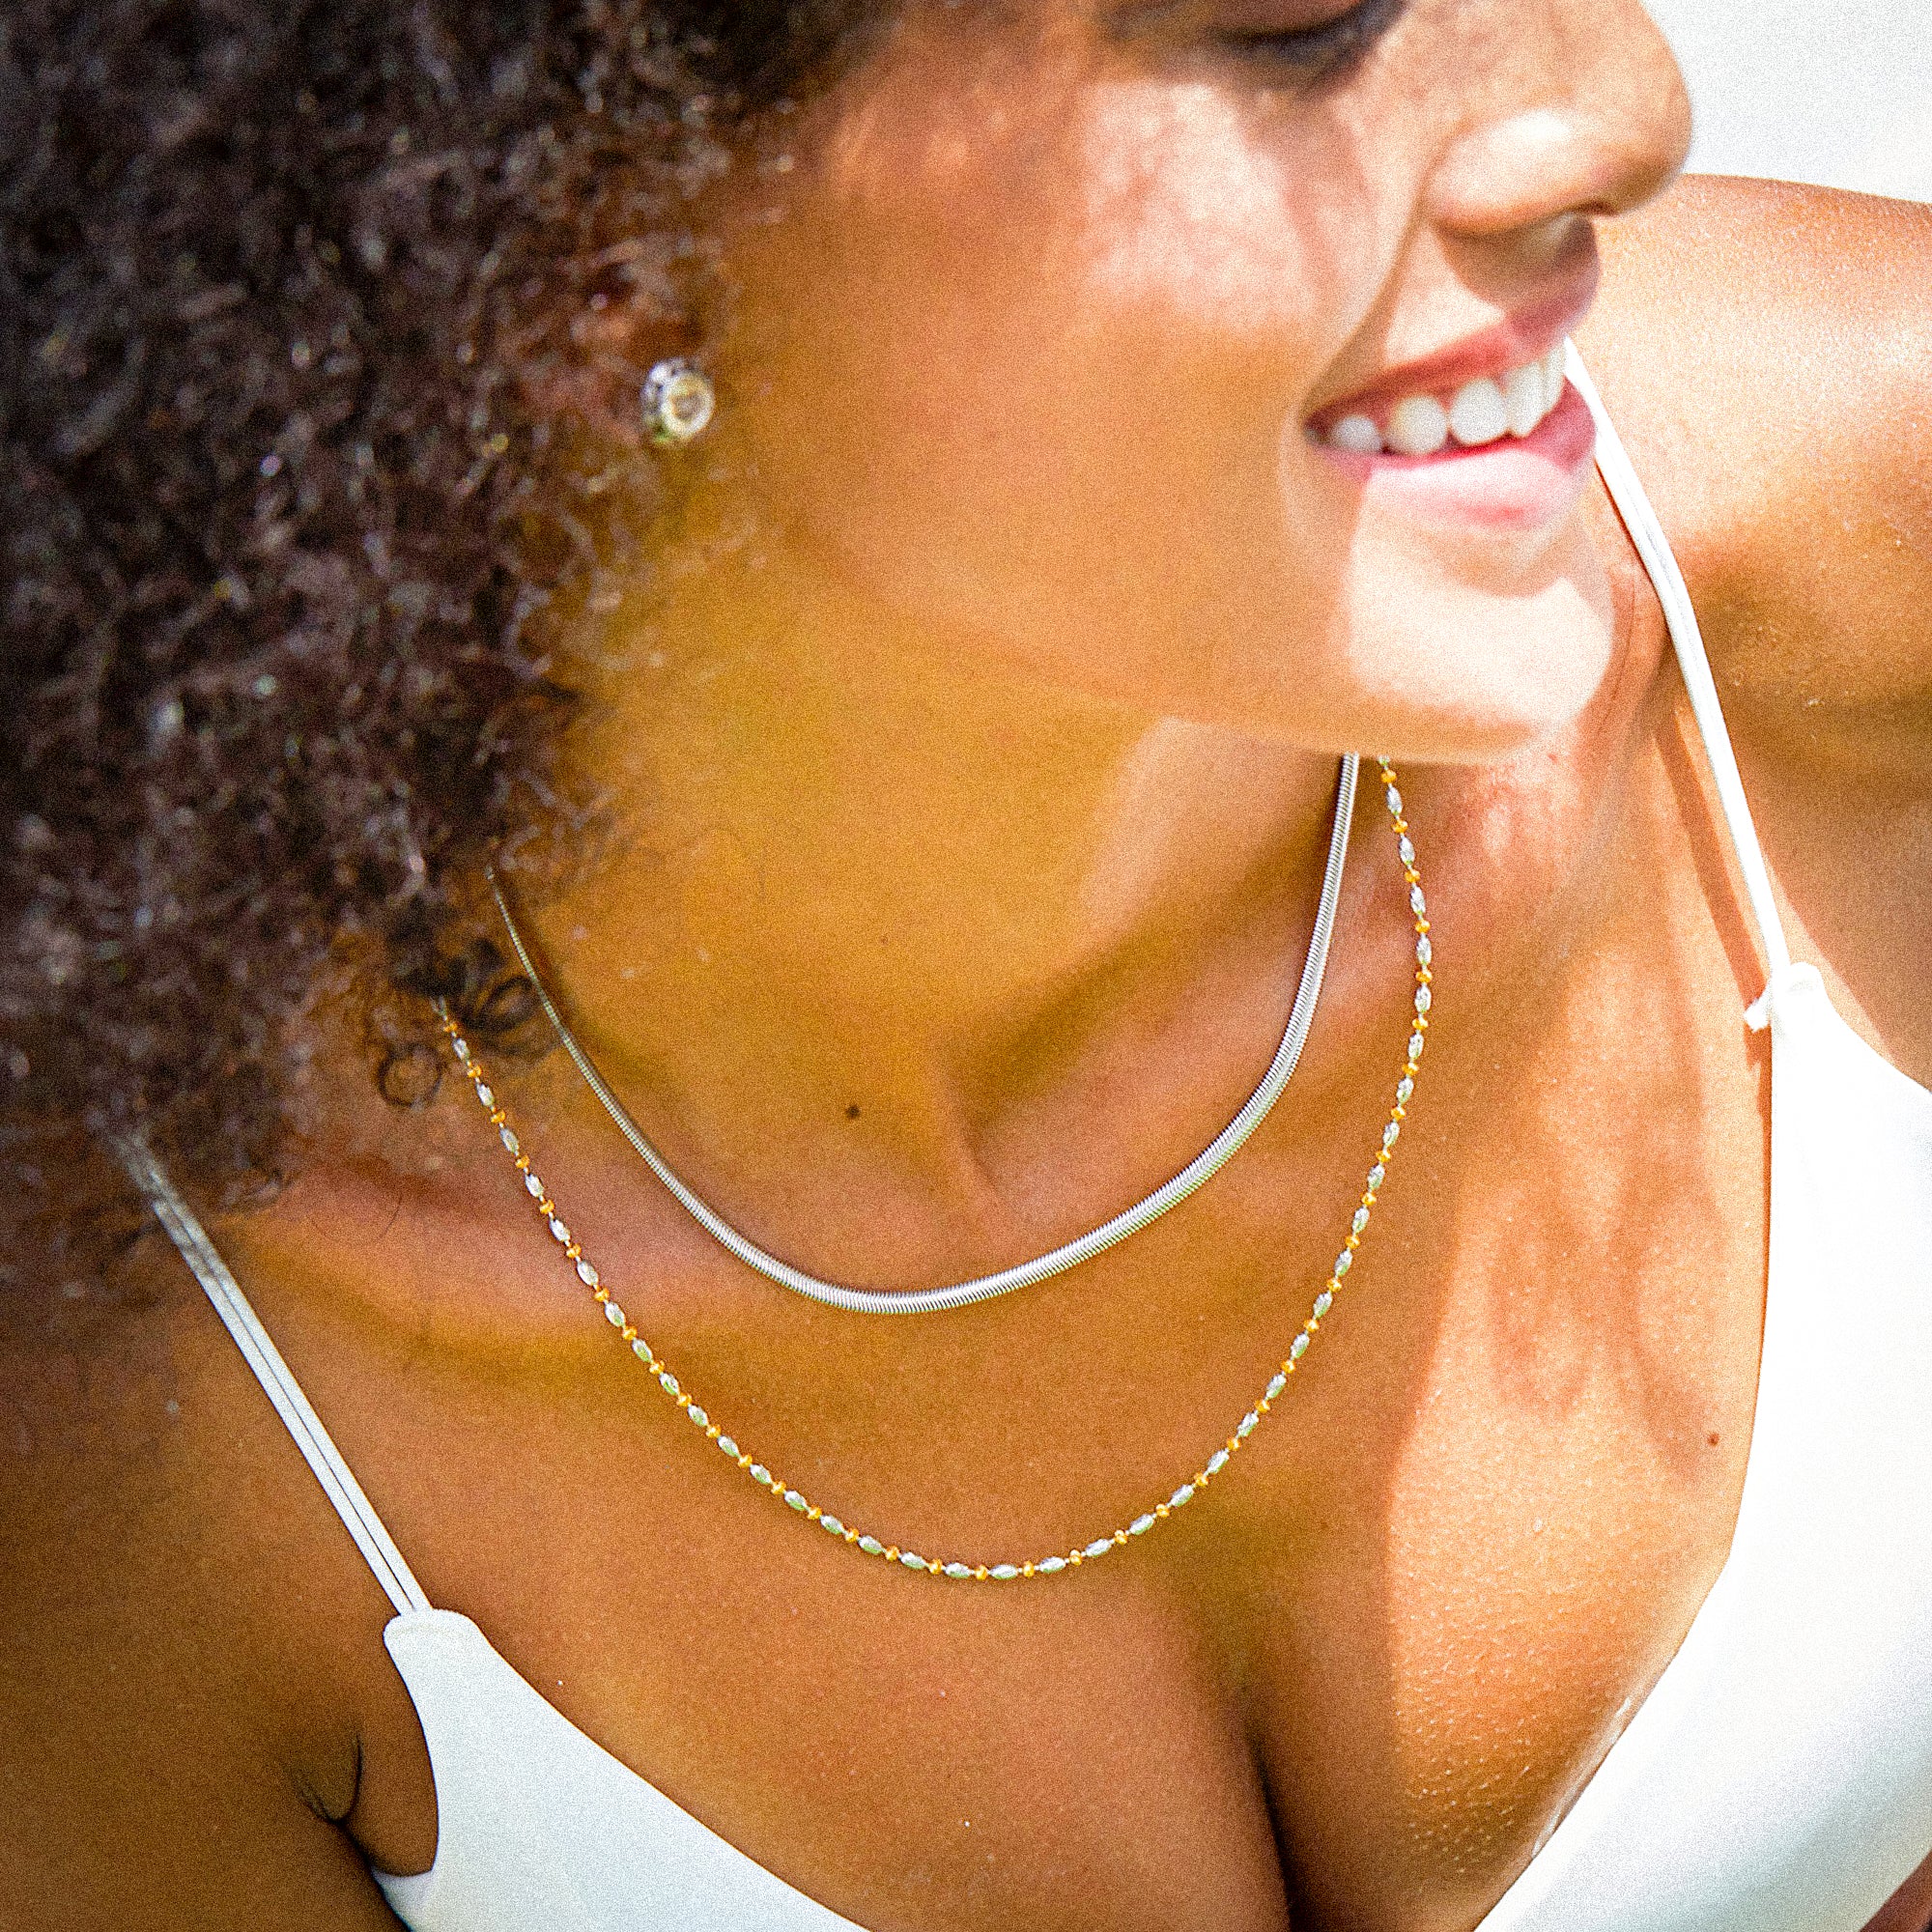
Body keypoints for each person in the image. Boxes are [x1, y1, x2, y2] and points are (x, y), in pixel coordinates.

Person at [3, 0, 1929, 1926]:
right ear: (583, 226)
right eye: (1294, 19)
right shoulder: (139, 1418)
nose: (1623, 106)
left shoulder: (1876, 537)